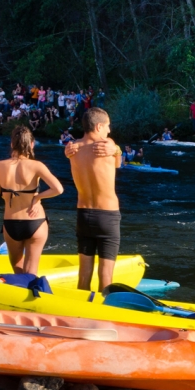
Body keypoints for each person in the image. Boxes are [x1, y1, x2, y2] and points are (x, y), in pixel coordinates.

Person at [62, 108, 122, 291]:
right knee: (105, 276)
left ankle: (81, 315)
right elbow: (118, 164)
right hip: (107, 216)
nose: (109, 131)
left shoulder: (72, 149)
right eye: (107, 126)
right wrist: (117, 149)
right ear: (99, 126)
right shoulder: (108, 144)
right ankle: (104, 315)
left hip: (84, 214)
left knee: (84, 275)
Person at [0, 124, 64, 276]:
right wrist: (38, 197)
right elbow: (58, 189)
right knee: (31, 273)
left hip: (11, 222)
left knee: (17, 271)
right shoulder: (37, 165)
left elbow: (1, 193)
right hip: (35, 221)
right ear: (32, 144)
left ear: (12, 144)